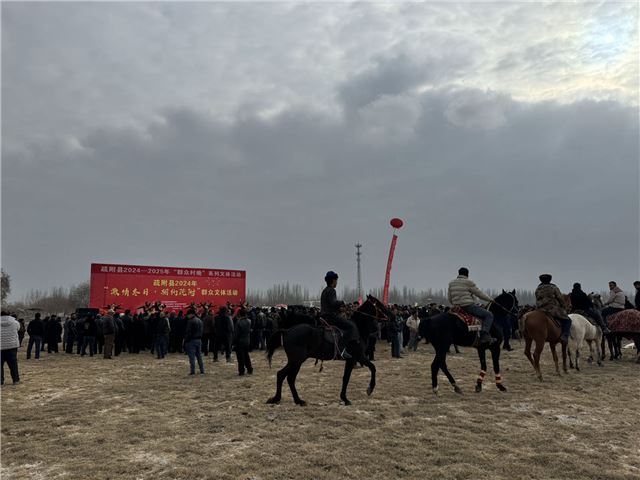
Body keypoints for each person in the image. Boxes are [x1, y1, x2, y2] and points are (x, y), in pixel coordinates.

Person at [447, 267, 495, 346]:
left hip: (456, 308)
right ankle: (484, 335)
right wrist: (490, 299)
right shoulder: (468, 282)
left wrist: (456, 304)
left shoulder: (451, 283)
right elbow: (479, 293)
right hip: (468, 306)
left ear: (459, 273)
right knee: (489, 315)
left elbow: (449, 297)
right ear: (467, 274)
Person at [320, 271, 356, 359]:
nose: (337, 282)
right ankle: (341, 349)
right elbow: (333, 303)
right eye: (336, 280)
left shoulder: (325, 291)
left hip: (324, 316)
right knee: (351, 327)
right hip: (331, 317)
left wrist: (340, 309)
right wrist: (342, 302)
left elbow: (330, 306)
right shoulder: (332, 290)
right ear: (333, 280)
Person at [535, 274, 571, 342]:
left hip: (540, 309)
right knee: (568, 320)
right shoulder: (553, 288)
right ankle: (565, 335)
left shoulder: (538, 289)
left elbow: (537, 298)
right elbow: (560, 298)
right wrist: (563, 305)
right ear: (550, 280)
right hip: (552, 309)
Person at [1, 312, 21, 385]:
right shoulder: (15, 322)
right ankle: (16, 380)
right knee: (13, 364)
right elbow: (18, 329)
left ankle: (1, 381)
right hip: (12, 346)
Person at [183, 309, 204, 375]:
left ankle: (192, 371)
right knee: (199, 356)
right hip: (199, 340)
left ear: (191, 314)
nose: (187, 316)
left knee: (192, 357)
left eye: (188, 315)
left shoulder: (190, 321)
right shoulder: (200, 320)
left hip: (191, 341)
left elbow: (188, 332)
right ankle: (202, 370)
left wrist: (186, 341)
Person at [233, 308, 253, 376]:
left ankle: (241, 371)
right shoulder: (249, 321)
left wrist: (234, 342)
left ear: (240, 314)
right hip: (247, 341)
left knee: (240, 357)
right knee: (246, 356)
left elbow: (236, 334)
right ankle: (250, 369)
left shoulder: (239, 322)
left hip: (240, 342)